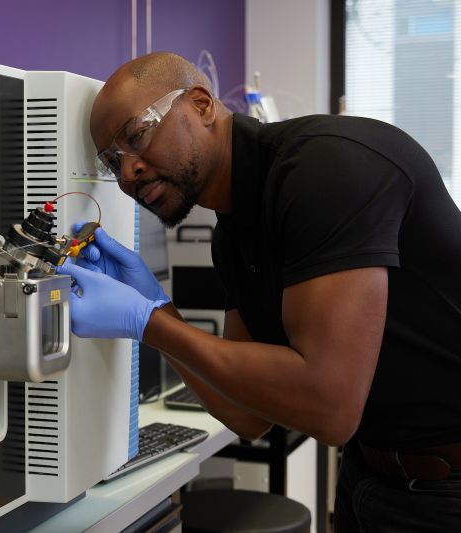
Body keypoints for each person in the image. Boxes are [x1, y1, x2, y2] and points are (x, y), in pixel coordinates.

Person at [56, 51, 461, 532]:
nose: (128, 172)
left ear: (202, 105)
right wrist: (158, 312)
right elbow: (248, 417)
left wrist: (149, 322)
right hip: (370, 478)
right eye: (112, 160)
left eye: (137, 135)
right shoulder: (233, 235)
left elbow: (331, 408)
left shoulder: (326, 169)